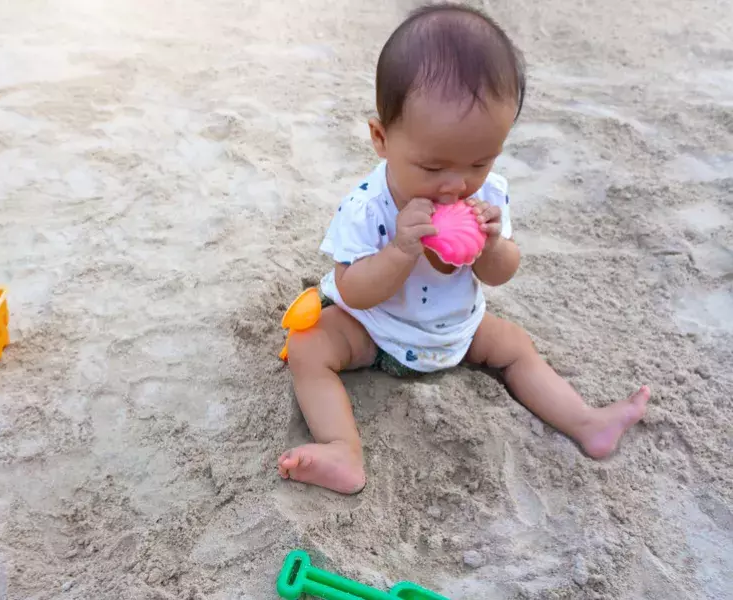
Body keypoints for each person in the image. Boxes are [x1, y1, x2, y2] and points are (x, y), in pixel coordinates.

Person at [277, 3, 650, 495]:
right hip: (375, 330)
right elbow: (354, 290)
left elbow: (501, 272)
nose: (455, 186)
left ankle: (586, 422)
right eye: (432, 168)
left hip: (454, 333)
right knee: (309, 345)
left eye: (478, 162)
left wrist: (493, 245)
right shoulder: (368, 207)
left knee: (514, 346)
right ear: (381, 138)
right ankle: (342, 449)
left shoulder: (488, 194)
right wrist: (400, 252)